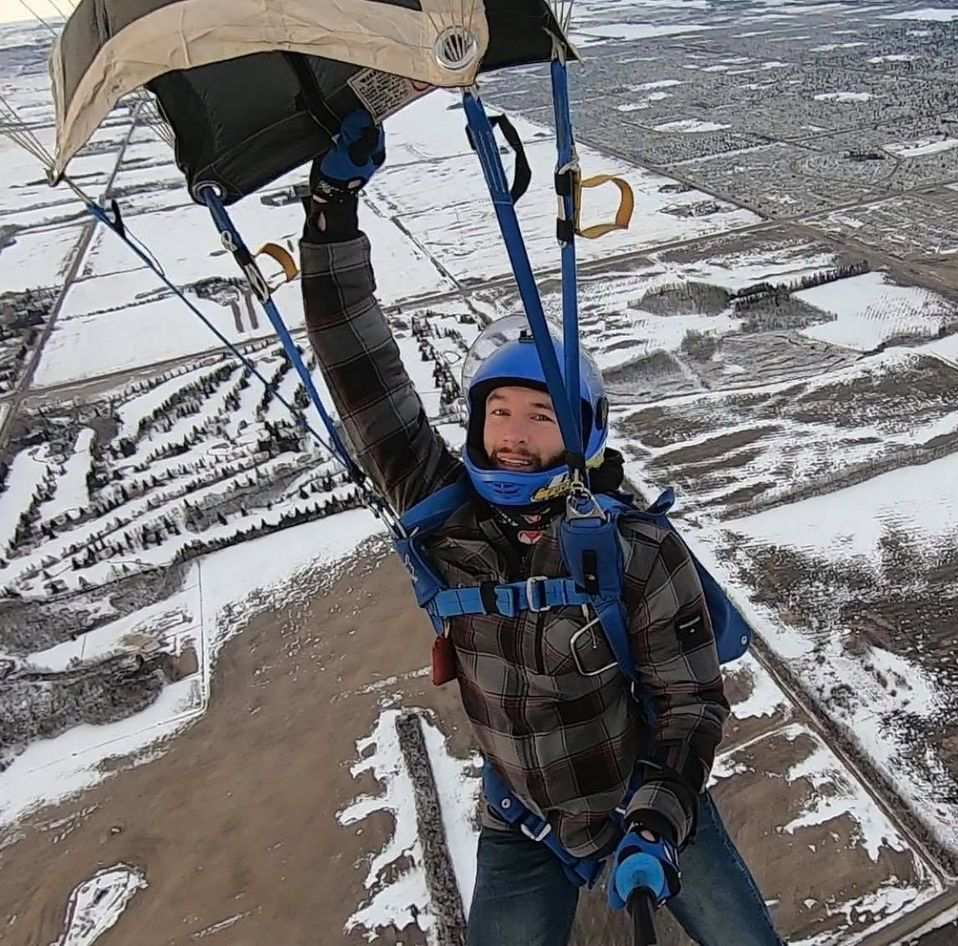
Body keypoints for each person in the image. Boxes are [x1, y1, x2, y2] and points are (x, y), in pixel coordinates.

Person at [296, 110, 784, 946]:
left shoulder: (633, 546)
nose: (514, 434)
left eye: (541, 415)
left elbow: (691, 702)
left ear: (583, 429)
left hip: (641, 808)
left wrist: (660, 822)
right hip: (521, 818)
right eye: (500, 411)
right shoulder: (442, 507)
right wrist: (331, 212)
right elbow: (360, 369)